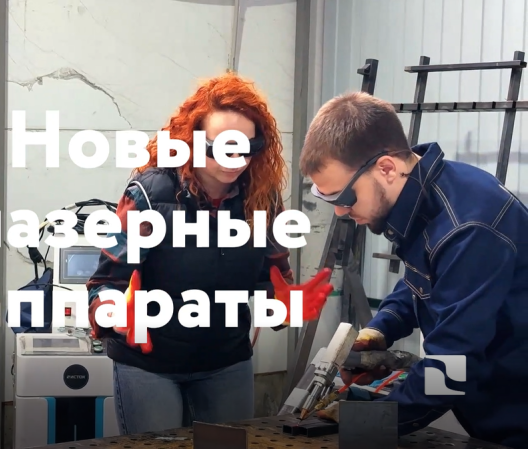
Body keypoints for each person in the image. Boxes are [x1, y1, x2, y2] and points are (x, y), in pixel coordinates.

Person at [85, 72, 334, 435]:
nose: (235, 158)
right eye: (221, 147)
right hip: (150, 364)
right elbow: (104, 284)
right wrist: (114, 314)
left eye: (247, 146)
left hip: (225, 363)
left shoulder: (261, 199)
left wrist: (286, 306)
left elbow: (274, 284)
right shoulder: (151, 194)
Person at [301, 91, 528, 448]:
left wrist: (367, 424)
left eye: (344, 198)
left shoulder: (468, 228)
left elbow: (453, 367)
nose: (340, 212)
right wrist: (380, 329)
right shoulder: (428, 198)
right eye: (327, 199)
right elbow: (426, 281)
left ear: (386, 168)